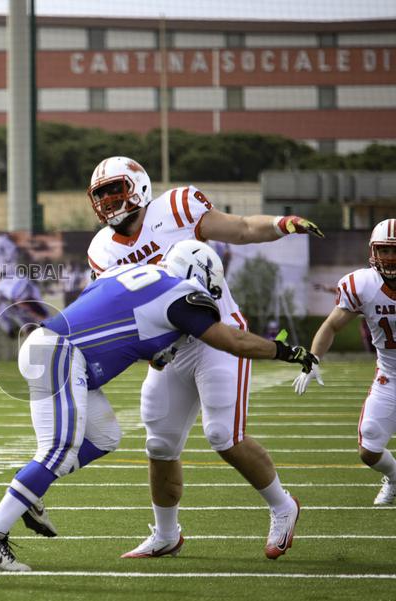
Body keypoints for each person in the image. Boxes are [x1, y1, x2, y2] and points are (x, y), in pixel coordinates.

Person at [0, 240, 317, 571]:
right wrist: (286, 350)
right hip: (61, 353)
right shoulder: (182, 294)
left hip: (53, 349)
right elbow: (231, 339)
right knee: (58, 449)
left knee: (105, 436)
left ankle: (31, 491)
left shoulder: (124, 272)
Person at [85, 156, 322, 559]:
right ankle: (166, 534)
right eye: (101, 194)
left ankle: (284, 506)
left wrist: (282, 225)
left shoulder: (176, 207)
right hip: (169, 350)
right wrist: (146, 351)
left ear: (139, 186)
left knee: (222, 436)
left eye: (115, 189)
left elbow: (243, 229)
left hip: (218, 335)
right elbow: (118, 310)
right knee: (159, 443)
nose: (109, 201)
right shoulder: (102, 250)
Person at [294, 219, 396, 506]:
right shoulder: (362, 284)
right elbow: (331, 326)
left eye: (394, 251)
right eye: (383, 250)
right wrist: (313, 359)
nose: (389, 257)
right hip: (390, 377)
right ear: (372, 252)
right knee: (369, 449)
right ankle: (394, 477)